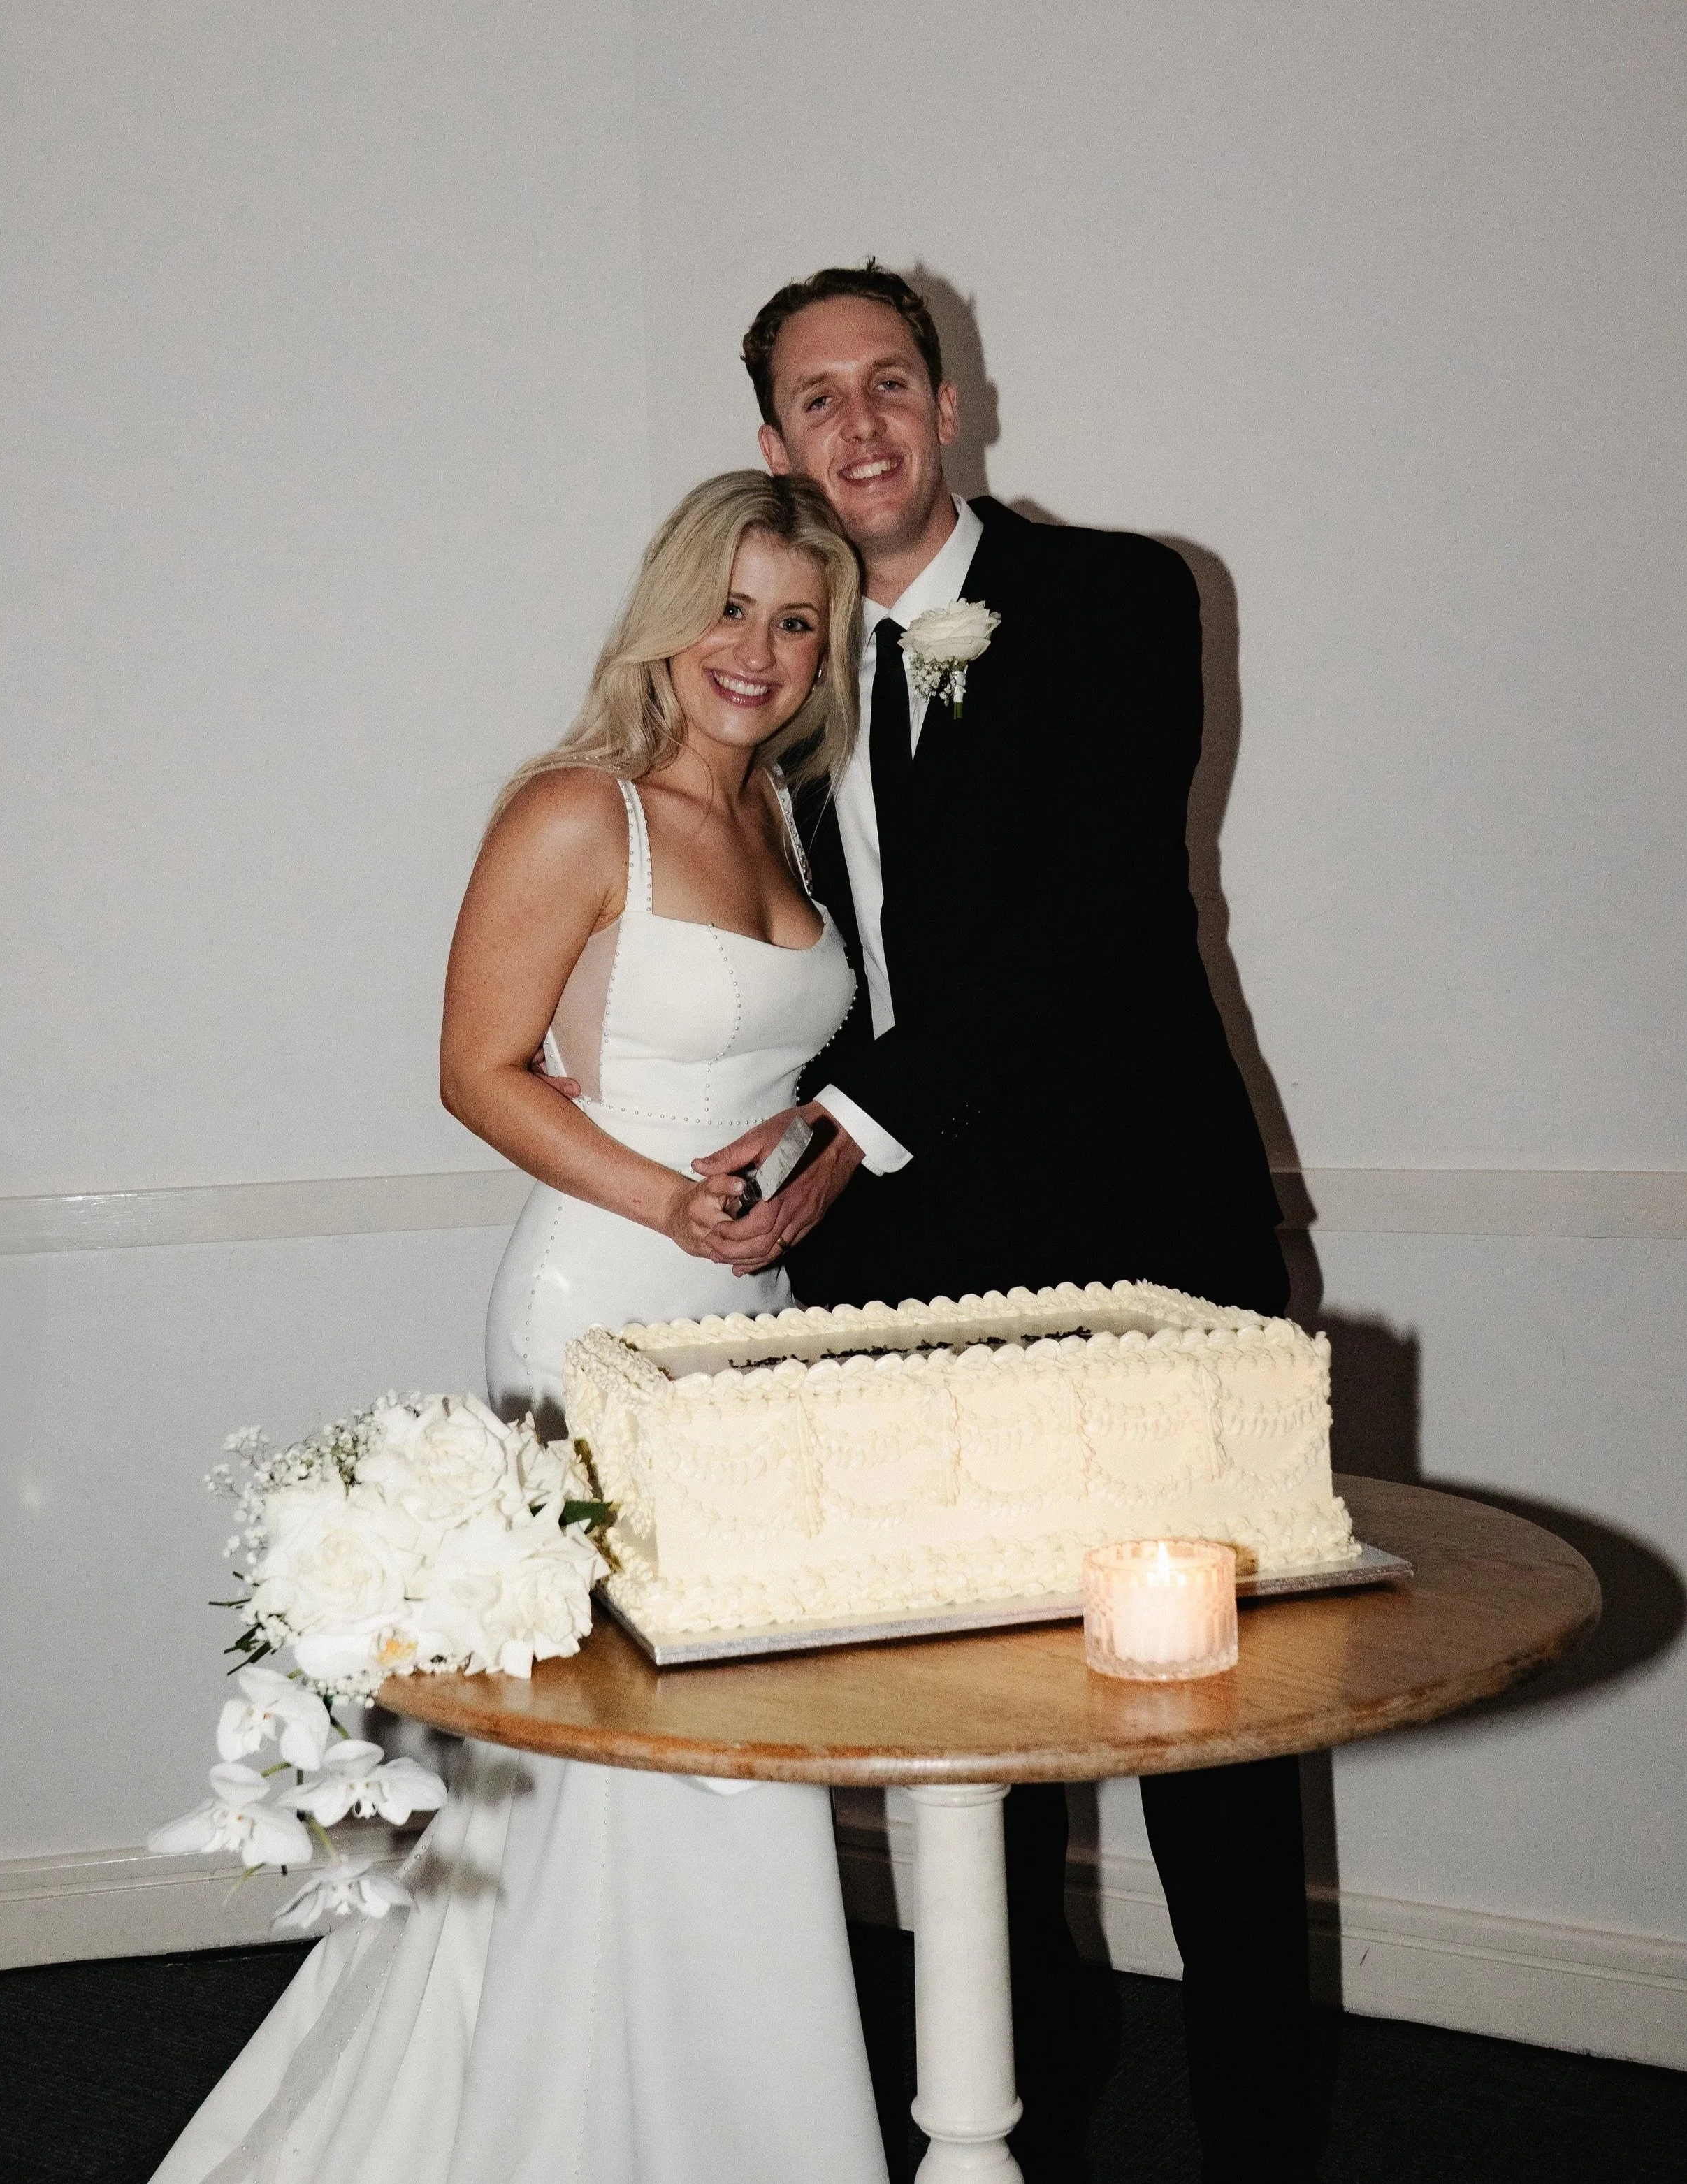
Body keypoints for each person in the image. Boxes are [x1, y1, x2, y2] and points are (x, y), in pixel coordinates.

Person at [148, 471, 889, 2184]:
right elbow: (473, 1067)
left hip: (749, 1304)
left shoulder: (788, 817)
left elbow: (778, 1075)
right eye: (732, 605)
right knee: (619, 1737)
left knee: (734, 1729)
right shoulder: (580, 810)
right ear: (668, 609)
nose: (758, 652)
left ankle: (729, 2117)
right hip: (603, 1297)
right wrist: (666, 1201)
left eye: (796, 621)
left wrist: (802, 1177)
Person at [691, 266, 1314, 2183]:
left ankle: (1257, 2133)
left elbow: (1085, 910)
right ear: (776, 437)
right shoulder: (771, 663)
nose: (858, 424)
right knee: (981, 1721)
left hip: (1143, 1247)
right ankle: (1018, 2099)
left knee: (1207, 1731)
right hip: (896, 1267)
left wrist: (848, 1123)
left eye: (891, 381)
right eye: (815, 399)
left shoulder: (1120, 595)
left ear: (954, 405)